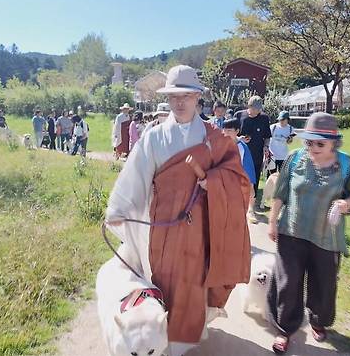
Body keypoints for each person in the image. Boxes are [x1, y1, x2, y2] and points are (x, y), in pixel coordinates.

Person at [105, 65, 251, 356]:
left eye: (186, 96)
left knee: (192, 282)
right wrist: (120, 209)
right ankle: (157, 340)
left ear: (198, 97)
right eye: (173, 97)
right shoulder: (153, 137)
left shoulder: (217, 139)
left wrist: (213, 181)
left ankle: (183, 341)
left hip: (200, 227)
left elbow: (239, 180)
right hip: (163, 227)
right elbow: (135, 176)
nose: (179, 103)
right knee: (162, 279)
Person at [266, 112, 350, 353]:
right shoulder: (294, 159)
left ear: (334, 143)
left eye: (320, 143)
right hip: (291, 231)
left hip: (326, 236)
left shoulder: (345, 164)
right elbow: (280, 193)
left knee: (323, 283)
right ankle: (285, 328)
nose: (312, 147)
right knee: (287, 283)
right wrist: (272, 222)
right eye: (309, 142)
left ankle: (318, 321)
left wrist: (347, 204)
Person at [235, 95, 271, 210]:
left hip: (256, 155)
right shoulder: (239, 115)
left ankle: (252, 207)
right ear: (248, 106)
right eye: (254, 108)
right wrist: (240, 137)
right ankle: (237, 202)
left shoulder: (264, 118)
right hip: (239, 154)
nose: (256, 111)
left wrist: (266, 146)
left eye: (258, 109)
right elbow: (231, 133)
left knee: (254, 180)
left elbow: (267, 136)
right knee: (237, 178)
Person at [222, 118, 257, 216]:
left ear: (237, 131)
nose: (226, 132)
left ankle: (250, 210)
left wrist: (250, 184)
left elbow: (248, 167)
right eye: (224, 129)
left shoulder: (242, 147)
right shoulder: (220, 144)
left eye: (229, 130)